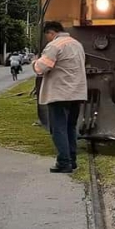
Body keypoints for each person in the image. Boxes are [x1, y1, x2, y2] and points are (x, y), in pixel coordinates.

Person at [33, 21, 87, 173]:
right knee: (70, 126)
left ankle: (64, 162)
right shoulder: (77, 44)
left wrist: (34, 63)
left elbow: (41, 68)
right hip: (76, 93)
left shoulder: (55, 45)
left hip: (60, 93)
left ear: (51, 33)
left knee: (58, 128)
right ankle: (72, 160)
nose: (48, 39)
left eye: (48, 36)